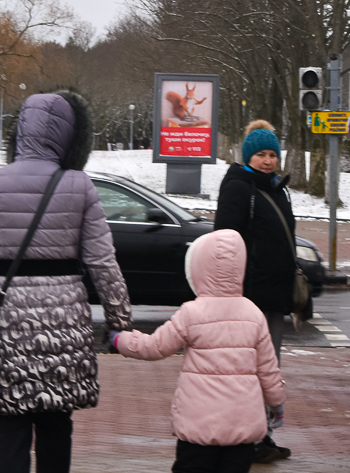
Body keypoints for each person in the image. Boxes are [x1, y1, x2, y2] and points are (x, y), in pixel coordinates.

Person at [0, 91, 132, 473]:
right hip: (64, 321)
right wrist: (119, 320)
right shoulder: (79, 185)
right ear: (69, 136)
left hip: (6, 317)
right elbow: (102, 261)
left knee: (10, 423)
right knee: (56, 423)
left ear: (20, 131)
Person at [110, 229, 285, 473]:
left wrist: (120, 339)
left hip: (199, 426)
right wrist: (276, 404)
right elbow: (268, 369)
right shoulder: (253, 314)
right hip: (240, 426)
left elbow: (155, 346)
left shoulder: (192, 313)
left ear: (199, 268)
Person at [213, 119, 296, 463]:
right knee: (247, 367)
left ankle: (263, 435)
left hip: (274, 294)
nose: (267, 161)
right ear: (248, 157)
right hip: (248, 295)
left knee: (268, 366)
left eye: (272, 155)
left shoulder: (278, 189)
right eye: (261, 155)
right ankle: (246, 437)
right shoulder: (238, 189)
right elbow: (223, 241)